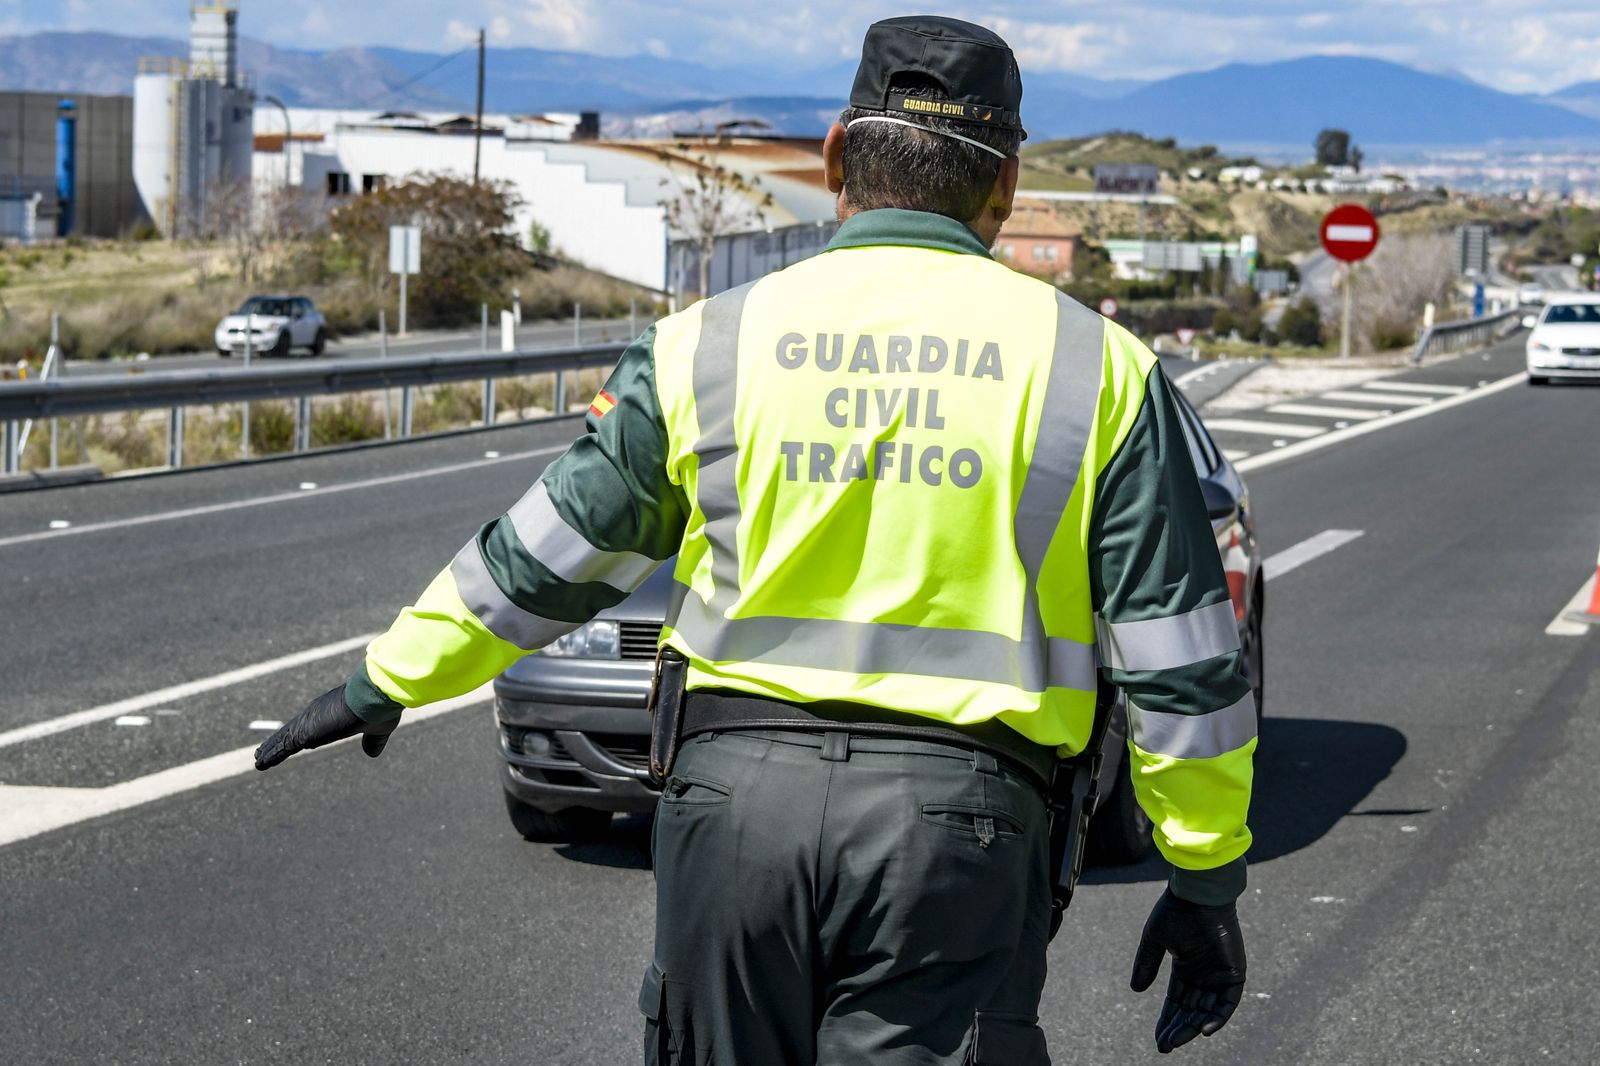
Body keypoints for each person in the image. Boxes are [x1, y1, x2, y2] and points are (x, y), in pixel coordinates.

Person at [255, 15, 1255, 1064]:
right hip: (959, 830)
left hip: (732, 808)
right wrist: (1203, 873)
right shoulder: (1099, 370)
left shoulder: (705, 345)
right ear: (1005, 186)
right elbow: (1181, 661)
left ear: (834, 158)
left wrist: (389, 679)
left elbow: (553, 550)